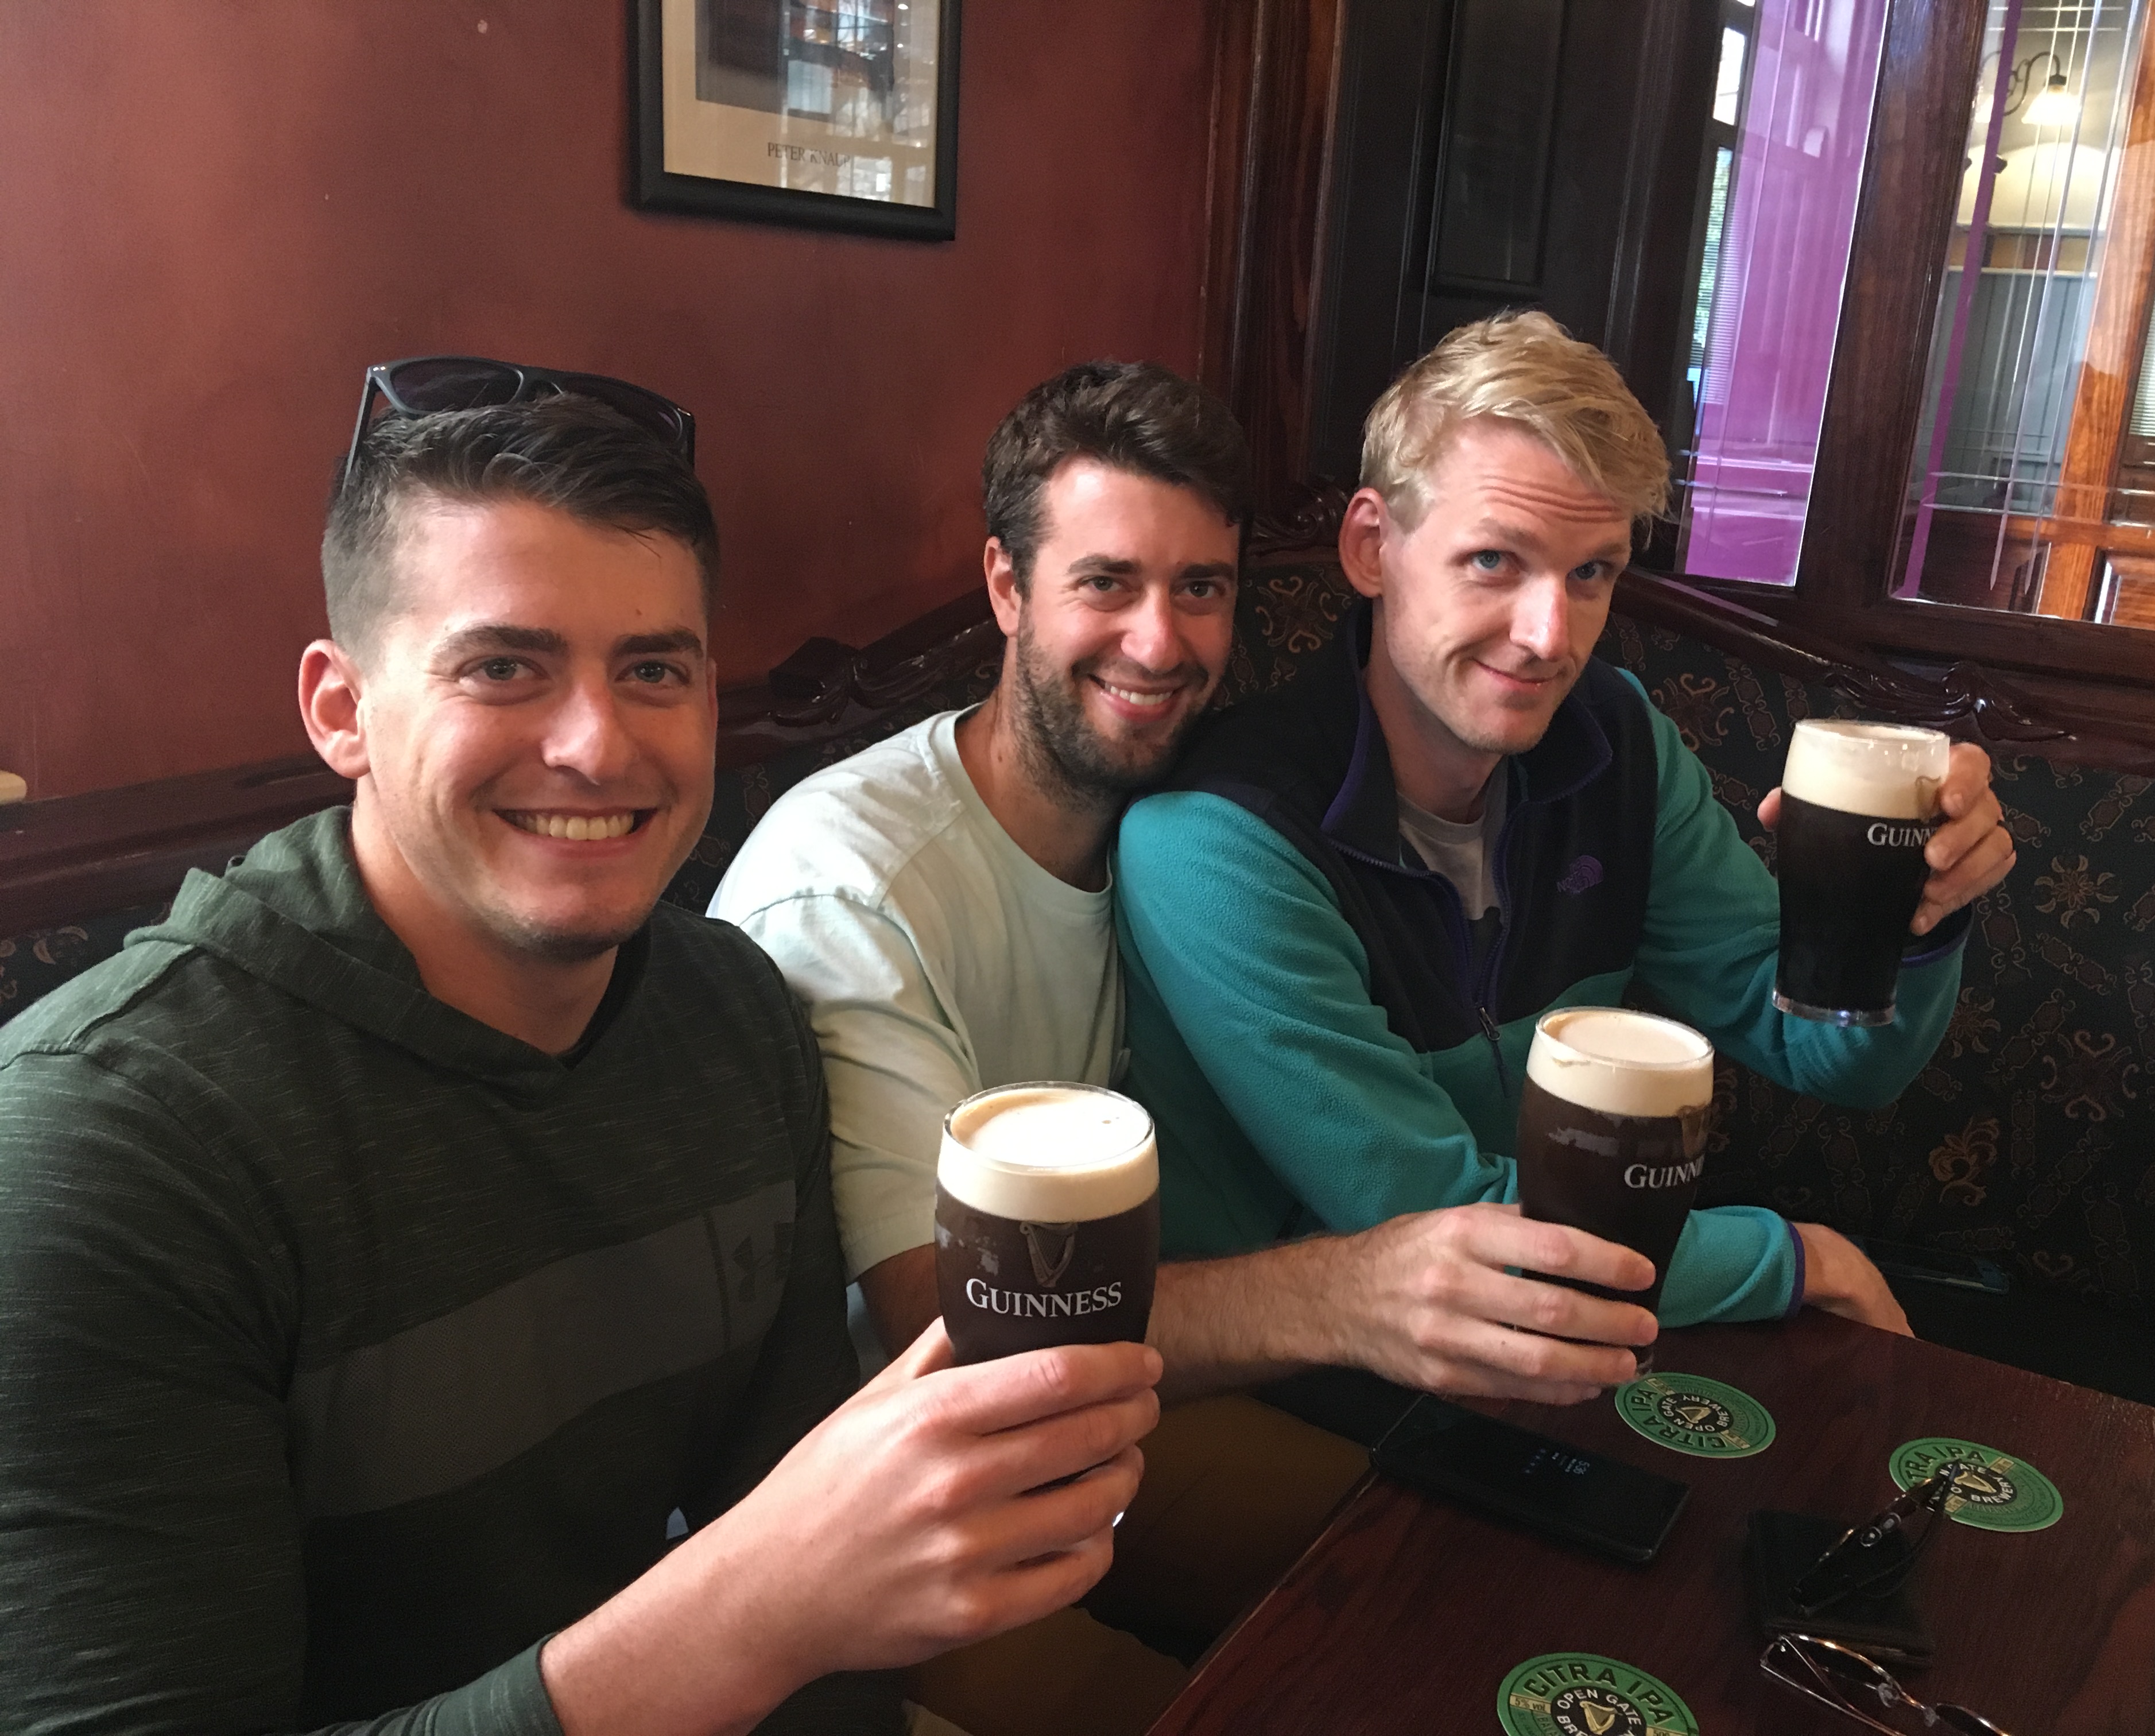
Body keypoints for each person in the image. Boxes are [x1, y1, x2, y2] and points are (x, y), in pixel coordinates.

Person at [0, 373, 1161, 1736]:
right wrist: (755, 1607)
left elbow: (814, 1592)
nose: (597, 745)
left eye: (653, 670)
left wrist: (802, 1602)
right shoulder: (103, 1151)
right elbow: (781, 1589)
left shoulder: (734, 1016)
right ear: (341, 709)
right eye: (504, 667)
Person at [1114, 311, 2018, 1382]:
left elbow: (1828, 1056)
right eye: (1494, 560)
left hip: (1531, 1350)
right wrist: (1792, 1260)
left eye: (1591, 573)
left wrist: (1915, 913)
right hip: (1283, 1386)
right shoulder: (1215, 843)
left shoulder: (1616, 744)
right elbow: (1436, 1228)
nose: (1550, 636)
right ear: (1372, 548)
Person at [713, 361, 1371, 1736]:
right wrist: (1361, 1296)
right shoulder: (850, 888)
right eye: (1107, 583)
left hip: (1096, 1411)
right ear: (1007, 587)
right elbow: (951, 1325)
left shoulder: (1184, 834)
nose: (1161, 642)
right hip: (879, 1490)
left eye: (1202, 588)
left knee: (1412, 1569)